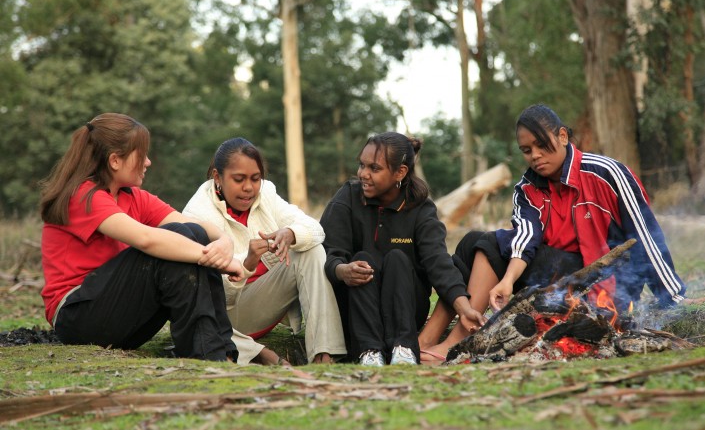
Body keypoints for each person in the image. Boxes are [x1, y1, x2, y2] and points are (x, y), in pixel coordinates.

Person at [418, 103, 687, 363]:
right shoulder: (527, 188)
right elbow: (525, 238)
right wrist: (508, 280)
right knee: (471, 242)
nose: (534, 155)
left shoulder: (606, 173)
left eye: (541, 145)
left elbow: (646, 235)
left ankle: (454, 344)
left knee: (488, 242)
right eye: (526, 150)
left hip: (604, 284)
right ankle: (426, 341)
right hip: (552, 280)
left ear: (562, 136)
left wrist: (672, 297)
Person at [40, 113, 243, 362]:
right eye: (142, 154)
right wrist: (217, 260)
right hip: (78, 317)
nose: (148, 162)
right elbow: (147, 239)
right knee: (174, 243)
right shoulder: (84, 197)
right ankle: (207, 356)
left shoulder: (133, 197)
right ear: (115, 160)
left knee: (195, 234)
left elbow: (193, 225)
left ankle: (222, 354)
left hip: (116, 315)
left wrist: (224, 241)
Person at [320, 131, 487, 366]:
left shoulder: (420, 209)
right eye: (362, 165)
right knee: (362, 258)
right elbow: (328, 251)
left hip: (404, 311)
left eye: (374, 169)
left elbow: (438, 262)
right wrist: (342, 270)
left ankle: (404, 349)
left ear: (400, 172)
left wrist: (464, 308)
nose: (363, 174)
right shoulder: (347, 197)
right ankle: (368, 352)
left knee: (398, 258)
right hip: (357, 310)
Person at [182, 137, 346, 366]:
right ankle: (257, 353)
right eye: (238, 179)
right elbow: (208, 295)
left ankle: (324, 355)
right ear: (217, 177)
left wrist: (290, 233)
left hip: (266, 305)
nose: (248, 188)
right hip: (225, 319)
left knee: (311, 250)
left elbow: (316, 229)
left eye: (255, 178)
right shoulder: (197, 214)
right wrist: (246, 263)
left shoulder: (266, 193)